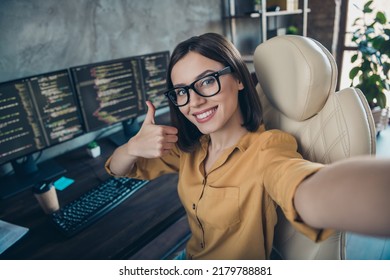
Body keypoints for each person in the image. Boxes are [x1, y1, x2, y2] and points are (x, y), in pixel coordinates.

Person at [105, 32, 390, 260]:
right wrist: (131, 147)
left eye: (206, 81)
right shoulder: (188, 148)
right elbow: (119, 169)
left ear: (239, 79)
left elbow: (299, 183)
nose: (193, 102)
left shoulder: (267, 148)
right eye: (182, 91)